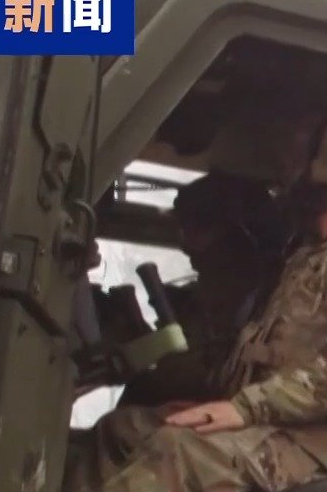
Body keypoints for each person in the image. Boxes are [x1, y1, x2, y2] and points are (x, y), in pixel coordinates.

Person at [61, 118, 327, 492]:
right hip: (298, 425)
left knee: (185, 452)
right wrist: (215, 398)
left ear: (325, 183)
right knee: (126, 429)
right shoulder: (314, 258)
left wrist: (243, 409)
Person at [120, 172, 283, 407]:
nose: (184, 244)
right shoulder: (222, 283)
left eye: (190, 228)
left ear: (220, 230)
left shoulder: (238, 286)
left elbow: (212, 361)